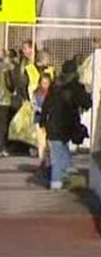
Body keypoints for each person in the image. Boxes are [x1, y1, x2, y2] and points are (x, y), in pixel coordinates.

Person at [41, 60, 92, 190]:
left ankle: (64, 175)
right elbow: (86, 103)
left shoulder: (55, 85)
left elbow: (46, 104)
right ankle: (57, 181)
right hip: (68, 124)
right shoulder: (76, 87)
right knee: (61, 151)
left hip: (52, 123)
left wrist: (42, 120)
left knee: (59, 151)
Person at [33, 74, 52, 165]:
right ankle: (42, 161)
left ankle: (48, 160)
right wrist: (36, 108)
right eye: (43, 83)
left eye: (46, 83)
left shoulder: (52, 94)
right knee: (41, 141)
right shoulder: (36, 93)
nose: (44, 85)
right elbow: (33, 105)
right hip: (39, 118)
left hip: (49, 120)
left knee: (48, 142)